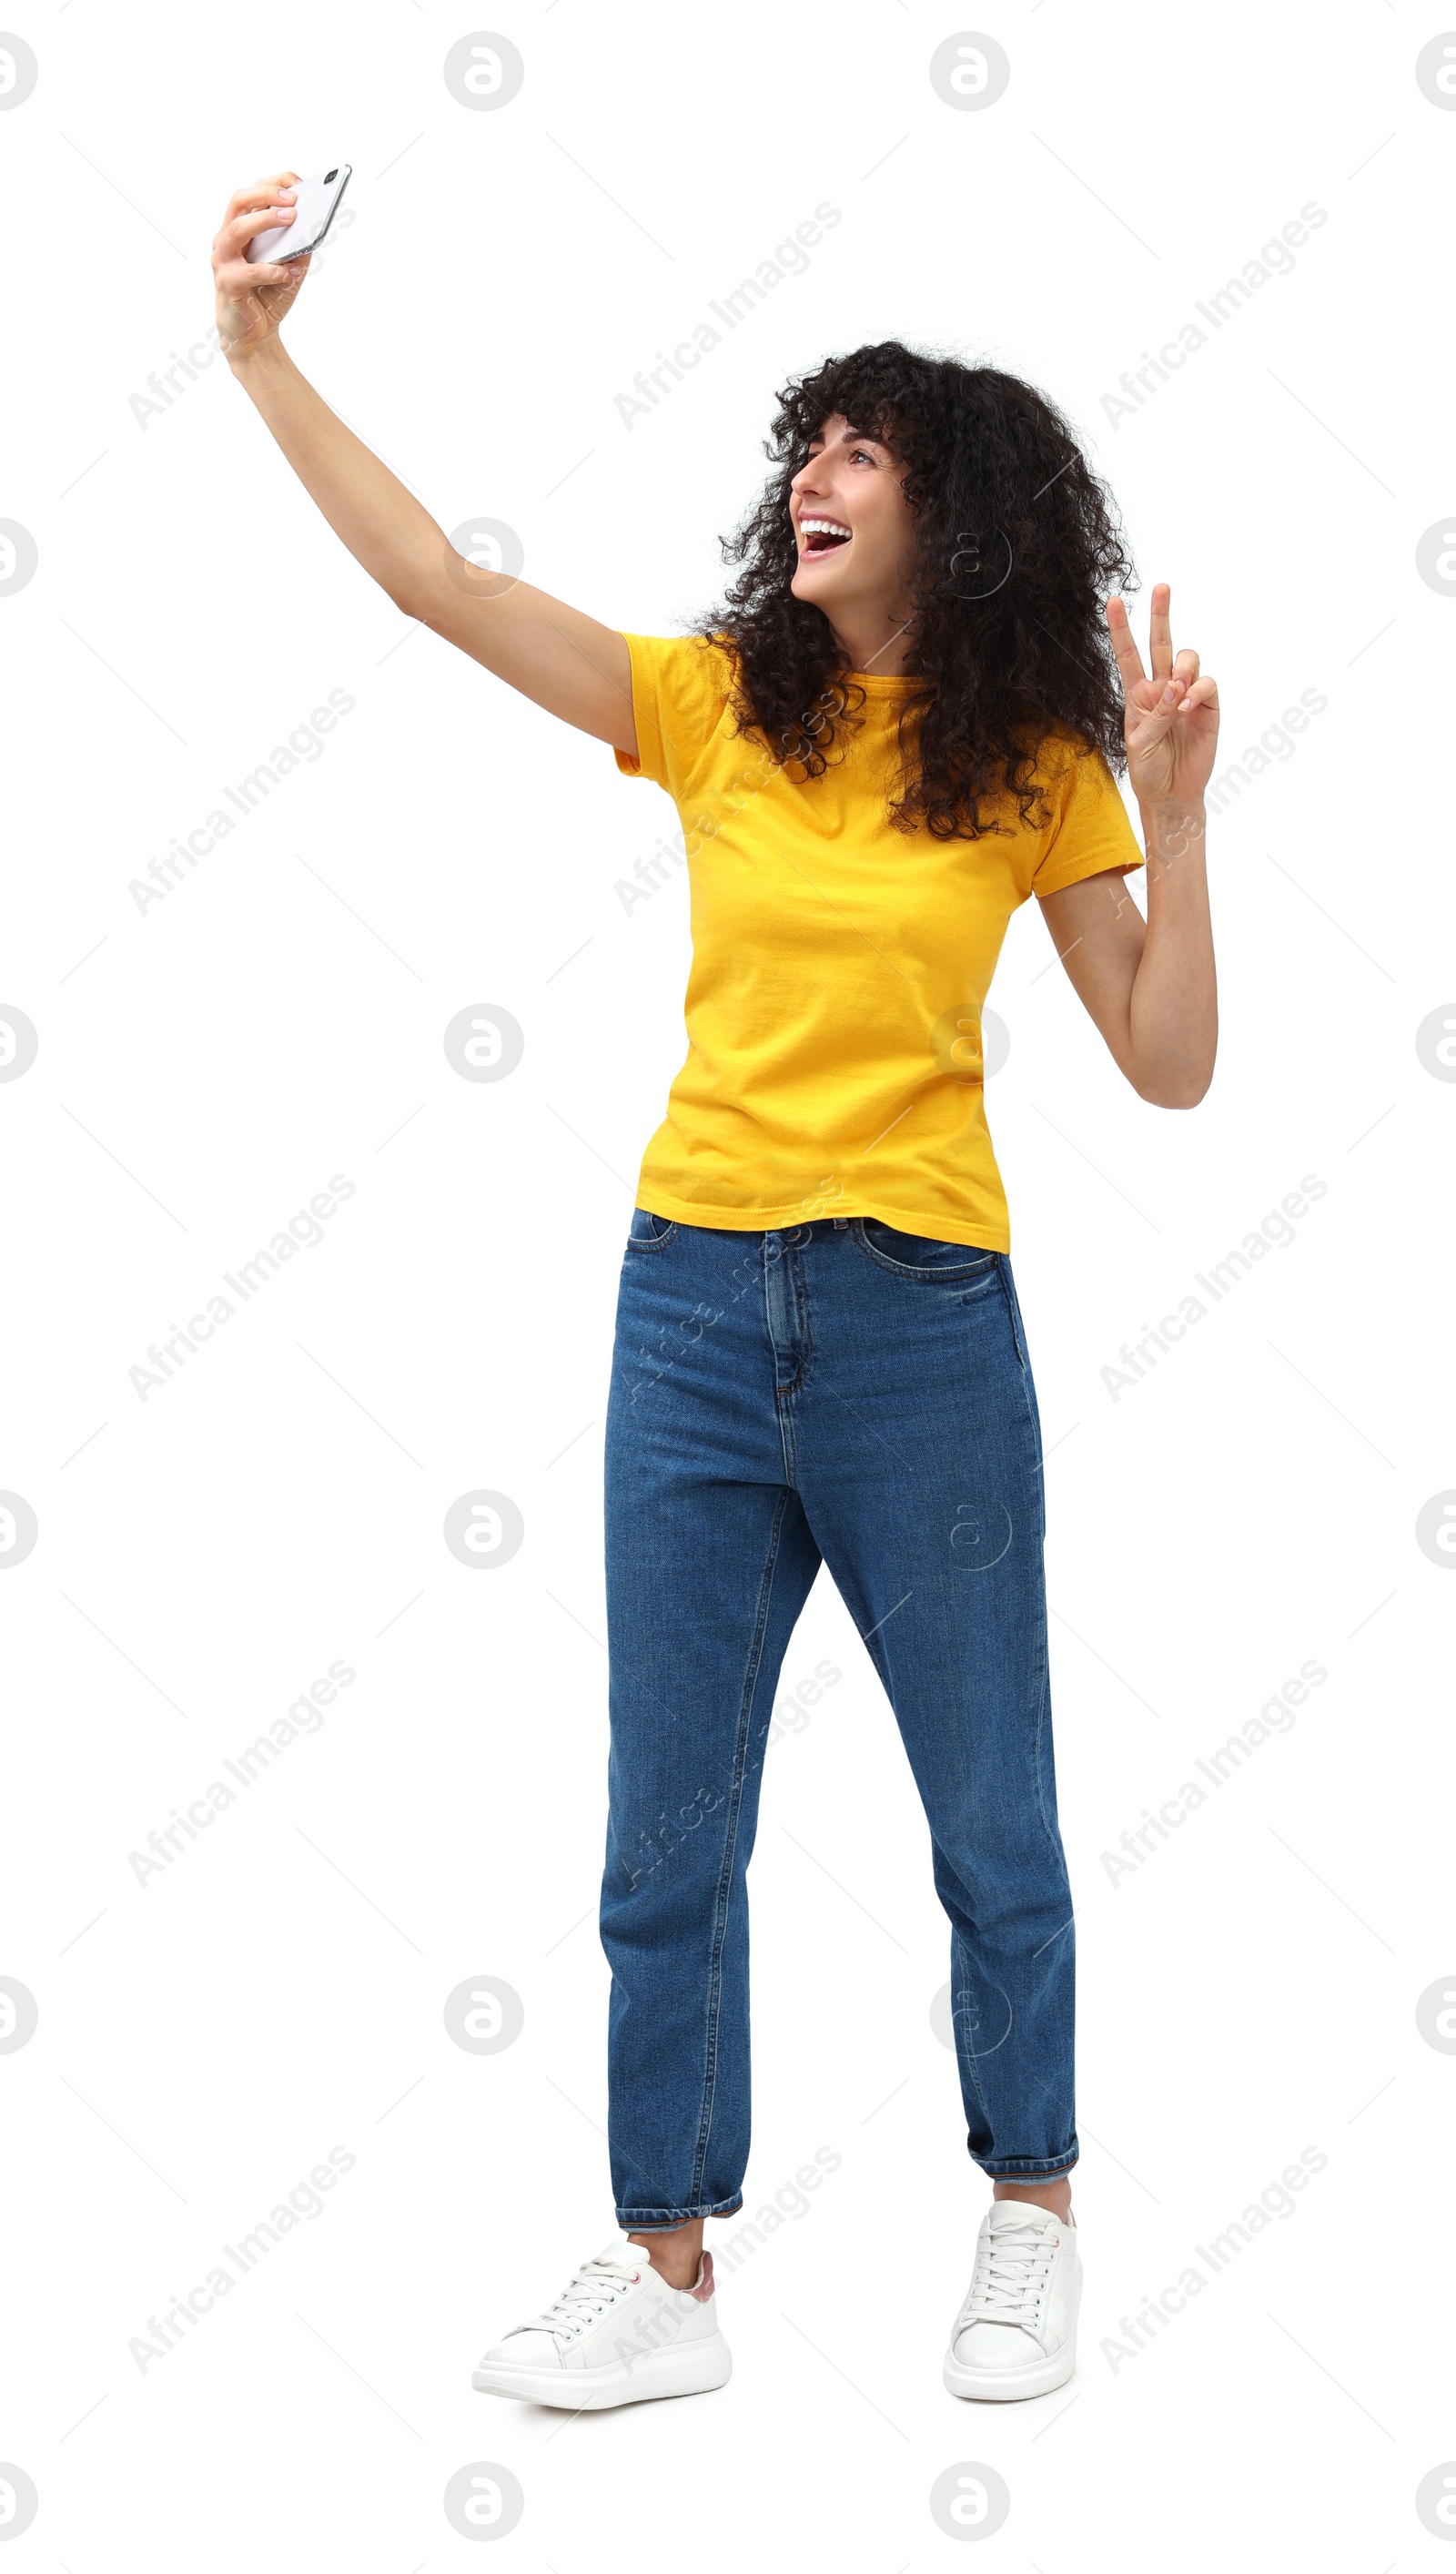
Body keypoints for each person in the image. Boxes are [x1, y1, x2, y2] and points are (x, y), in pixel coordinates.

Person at [213, 171, 1218, 2411]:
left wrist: (1181, 816)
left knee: (992, 1810)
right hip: (684, 1313)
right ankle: (663, 2271)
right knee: (663, 1820)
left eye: (859, 451)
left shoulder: (1043, 770)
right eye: (806, 447)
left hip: (920, 1326)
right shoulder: (708, 710)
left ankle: (1029, 2204)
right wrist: (259, 354)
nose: (811, 476)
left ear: (953, 515)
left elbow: (1163, 1065)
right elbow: (438, 582)